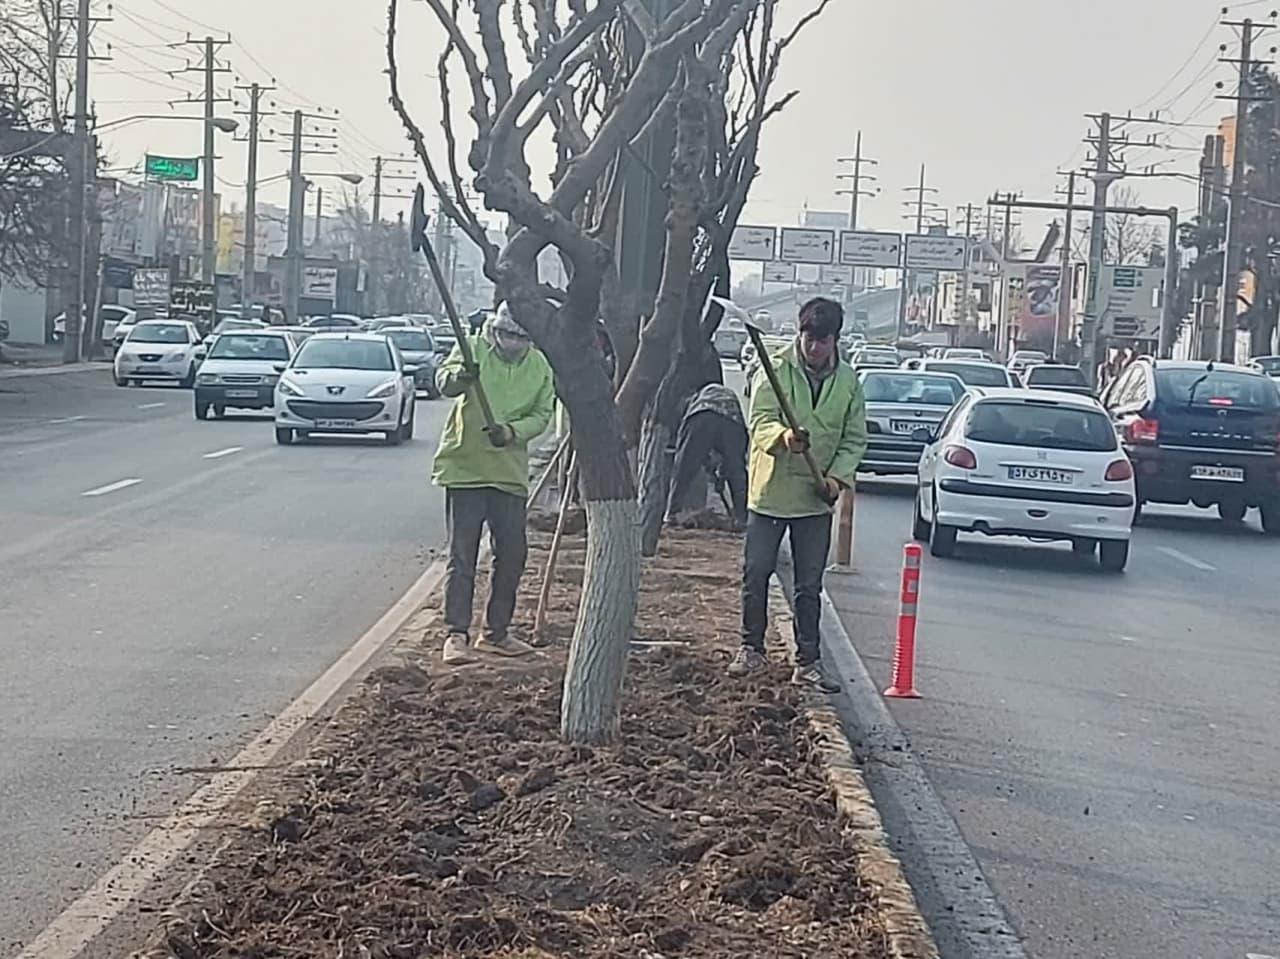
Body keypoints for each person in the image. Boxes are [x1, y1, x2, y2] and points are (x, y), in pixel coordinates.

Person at [731, 297, 867, 692]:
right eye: (808, 338)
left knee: (809, 585)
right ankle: (751, 649)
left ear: (834, 340)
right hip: (771, 492)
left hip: (814, 499)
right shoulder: (775, 370)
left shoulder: (848, 383)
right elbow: (758, 421)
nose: (813, 347)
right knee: (756, 572)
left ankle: (808, 661)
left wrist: (838, 479)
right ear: (799, 333)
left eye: (822, 340)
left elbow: (854, 439)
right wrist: (782, 437)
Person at [433, 302, 555, 665]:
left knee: (513, 553)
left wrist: (512, 432)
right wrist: (461, 377)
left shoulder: (539, 366)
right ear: (495, 329)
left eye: (520, 337)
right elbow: (445, 382)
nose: (512, 342)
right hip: (465, 467)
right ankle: (456, 634)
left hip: (508, 472)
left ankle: (496, 632)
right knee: (463, 554)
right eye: (506, 335)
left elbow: (542, 414)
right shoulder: (471, 348)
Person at [664, 381, 748, 526]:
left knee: (683, 468)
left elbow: (688, 451)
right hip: (731, 421)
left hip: (702, 416)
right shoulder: (722, 398)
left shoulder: (691, 406)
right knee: (737, 471)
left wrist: (718, 477)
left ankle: (671, 512)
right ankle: (742, 517)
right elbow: (730, 457)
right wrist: (720, 475)